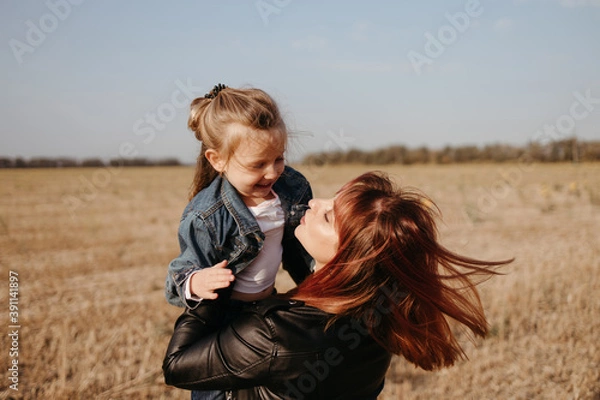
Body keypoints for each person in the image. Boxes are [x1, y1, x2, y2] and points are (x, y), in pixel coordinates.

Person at [163, 171, 513, 399]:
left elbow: (178, 365)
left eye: (329, 216)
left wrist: (212, 278)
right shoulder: (382, 311)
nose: (313, 203)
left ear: (350, 255)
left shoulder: (279, 333)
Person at [164, 84, 313, 400]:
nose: (272, 172)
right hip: (223, 319)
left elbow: (300, 251)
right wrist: (197, 281)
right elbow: (177, 276)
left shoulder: (292, 188)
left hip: (269, 308)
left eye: (279, 158)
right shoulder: (205, 216)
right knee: (221, 393)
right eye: (257, 164)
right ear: (217, 160)